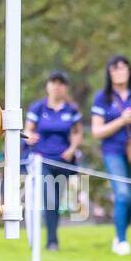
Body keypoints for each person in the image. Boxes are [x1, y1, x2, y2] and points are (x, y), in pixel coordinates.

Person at [91, 55, 131, 256]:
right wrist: (121, 120)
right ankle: (122, 241)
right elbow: (96, 131)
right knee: (123, 193)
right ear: (109, 73)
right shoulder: (102, 98)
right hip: (113, 151)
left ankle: (120, 235)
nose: (120, 72)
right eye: (115, 68)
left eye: (123, 68)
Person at [24, 71, 83, 251]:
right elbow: (27, 131)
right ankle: (51, 240)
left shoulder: (71, 110)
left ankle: (52, 238)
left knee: (56, 201)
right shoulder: (38, 108)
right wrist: (29, 137)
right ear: (48, 86)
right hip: (42, 160)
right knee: (48, 196)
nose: (57, 87)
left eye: (61, 83)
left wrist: (72, 149)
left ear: (65, 87)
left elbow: (78, 132)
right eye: (53, 82)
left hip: (63, 161)